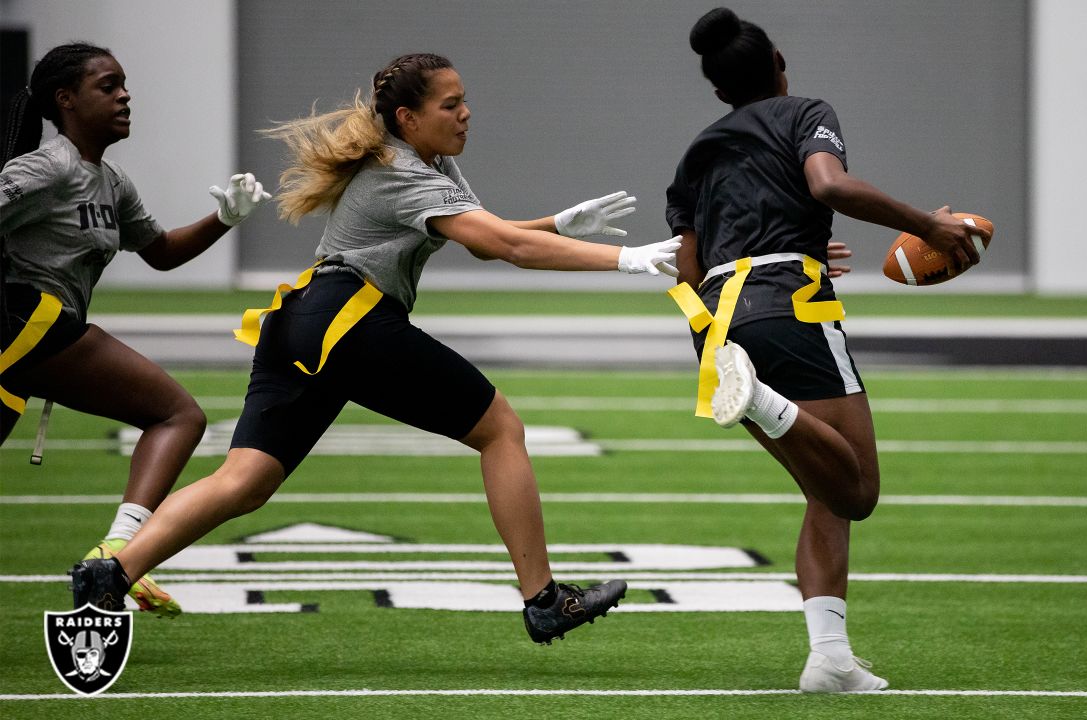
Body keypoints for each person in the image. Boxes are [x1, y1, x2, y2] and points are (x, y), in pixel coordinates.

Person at [71, 52, 681, 644]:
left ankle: (110, 574)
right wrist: (625, 259)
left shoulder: (424, 160)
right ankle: (545, 599)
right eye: (451, 103)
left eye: (465, 99)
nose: (467, 112)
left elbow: (483, 235)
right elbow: (502, 247)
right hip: (349, 318)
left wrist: (558, 224)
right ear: (409, 118)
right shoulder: (403, 171)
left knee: (246, 479)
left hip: (304, 318)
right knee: (500, 430)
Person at [665, 9, 990, 692]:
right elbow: (829, 185)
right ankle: (758, 398)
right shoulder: (803, 111)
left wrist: (787, 260)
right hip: (793, 308)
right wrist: (926, 221)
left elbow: (689, 268)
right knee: (858, 490)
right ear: (779, 63)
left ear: (721, 92)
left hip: (719, 323)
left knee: (824, 488)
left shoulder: (697, 150)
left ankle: (831, 658)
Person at [1, 43, 270, 618]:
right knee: (177, 414)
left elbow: (162, 252)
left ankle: (122, 550)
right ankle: (122, 550)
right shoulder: (46, 169)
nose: (125, 95)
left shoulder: (111, 181)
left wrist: (226, 219)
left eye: (125, 84)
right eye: (108, 86)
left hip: (33, 341)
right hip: (31, 322)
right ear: (65, 99)